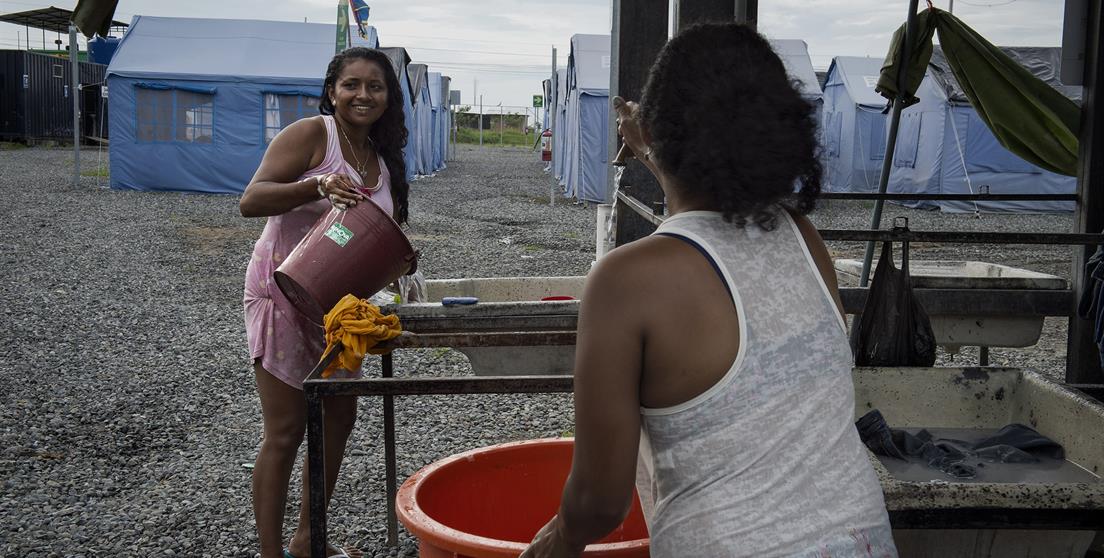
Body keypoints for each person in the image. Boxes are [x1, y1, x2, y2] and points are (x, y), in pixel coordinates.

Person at [521, 23, 897, 558]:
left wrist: (557, 542)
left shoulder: (626, 281)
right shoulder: (802, 238)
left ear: (655, 131)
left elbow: (601, 501)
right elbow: (703, 195)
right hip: (864, 540)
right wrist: (649, 144)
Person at [239, 47, 410, 558]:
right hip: (282, 291)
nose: (363, 95)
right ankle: (270, 553)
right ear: (332, 91)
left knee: (337, 420)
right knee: (286, 429)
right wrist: (316, 185)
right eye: (351, 84)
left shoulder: (381, 157)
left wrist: (400, 262)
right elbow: (251, 199)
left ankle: (308, 539)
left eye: (375, 86)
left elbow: (373, 231)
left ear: (388, 97)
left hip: (340, 311)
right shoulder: (314, 135)